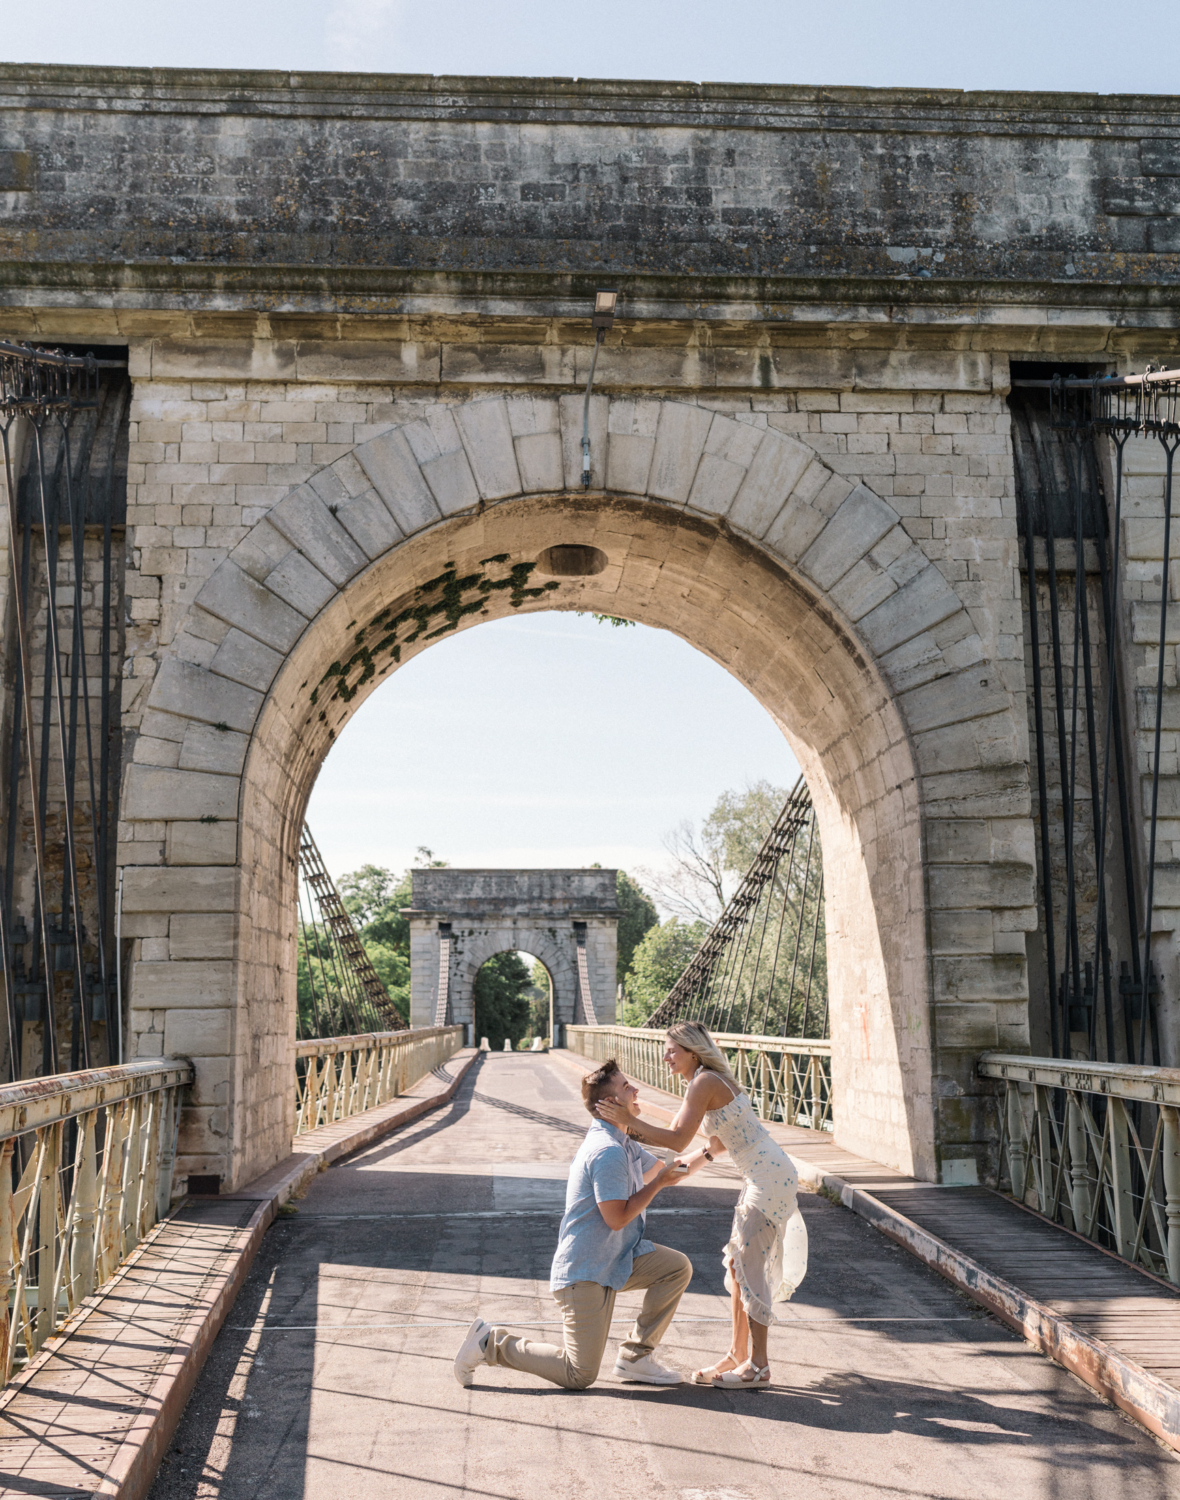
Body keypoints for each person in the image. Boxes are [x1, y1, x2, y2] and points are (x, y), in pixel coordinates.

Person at [453, 1057, 692, 1390]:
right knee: (579, 1374)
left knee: (676, 1268)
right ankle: (490, 1343)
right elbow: (617, 1217)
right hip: (585, 1272)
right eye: (627, 1087)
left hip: (615, 1260)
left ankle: (636, 1358)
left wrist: (711, 1149)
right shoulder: (607, 1151)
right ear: (610, 1103)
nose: (636, 1089)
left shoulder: (624, 1143)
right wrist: (660, 1183)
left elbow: (668, 1168)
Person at [596, 1021, 808, 1389]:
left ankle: (759, 1366)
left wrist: (628, 1122)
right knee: (738, 1264)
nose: (665, 1056)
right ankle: (737, 1355)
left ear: (693, 1052)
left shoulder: (705, 1082)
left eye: (672, 1050)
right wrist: (636, 1120)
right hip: (764, 1174)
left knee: (750, 1268)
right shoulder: (704, 1082)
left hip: (768, 1177)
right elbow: (694, 1132)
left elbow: (677, 1140)